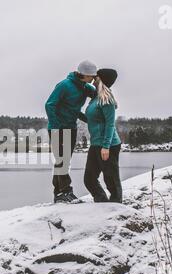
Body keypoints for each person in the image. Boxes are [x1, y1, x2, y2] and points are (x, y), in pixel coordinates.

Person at [45, 60, 97, 203]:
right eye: (92, 76)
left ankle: (58, 194)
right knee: (61, 160)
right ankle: (66, 191)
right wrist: (56, 126)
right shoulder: (64, 85)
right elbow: (49, 105)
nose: (93, 79)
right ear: (84, 75)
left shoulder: (85, 87)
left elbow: (98, 93)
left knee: (64, 161)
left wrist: (90, 118)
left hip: (71, 127)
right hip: (57, 128)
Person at [84, 68, 122, 203]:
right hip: (95, 143)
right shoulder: (95, 98)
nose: (93, 80)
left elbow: (110, 124)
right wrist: (73, 112)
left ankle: (117, 205)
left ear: (102, 80)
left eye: (96, 78)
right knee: (89, 179)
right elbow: (92, 119)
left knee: (111, 178)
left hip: (109, 145)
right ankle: (103, 203)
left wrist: (106, 146)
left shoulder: (107, 99)